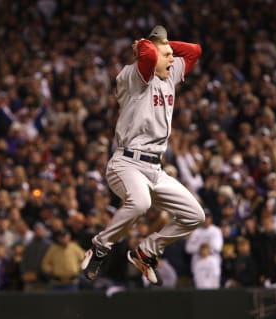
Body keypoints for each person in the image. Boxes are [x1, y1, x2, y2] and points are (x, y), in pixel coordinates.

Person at [81, 25, 205, 286]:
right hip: (127, 163)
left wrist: (165, 44)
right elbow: (148, 57)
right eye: (168, 55)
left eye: (173, 54)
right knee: (140, 204)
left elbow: (194, 51)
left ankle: (146, 251)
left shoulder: (168, 75)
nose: (173, 59)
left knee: (195, 215)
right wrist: (148, 46)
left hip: (155, 169)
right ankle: (100, 247)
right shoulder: (134, 75)